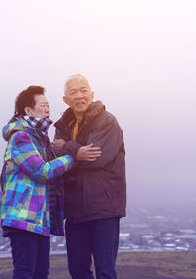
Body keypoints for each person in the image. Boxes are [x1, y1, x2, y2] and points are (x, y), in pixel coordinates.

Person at [52, 74, 126, 279]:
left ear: (92, 95)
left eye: (84, 90)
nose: (79, 96)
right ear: (66, 100)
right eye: (73, 92)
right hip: (75, 211)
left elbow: (96, 157)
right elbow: (57, 163)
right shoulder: (63, 126)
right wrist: (77, 152)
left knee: (105, 271)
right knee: (78, 271)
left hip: (104, 210)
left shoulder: (107, 121)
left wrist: (67, 148)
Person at [0, 85, 75, 279]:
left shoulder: (39, 138)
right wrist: (72, 157)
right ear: (28, 110)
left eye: (48, 104)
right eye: (43, 104)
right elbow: (41, 171)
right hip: (23, 217)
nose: (48, 108)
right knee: (26, 273)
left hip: (39, 218)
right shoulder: (21, 137)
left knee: (41, 273)